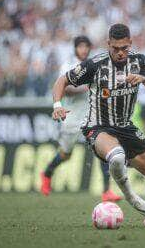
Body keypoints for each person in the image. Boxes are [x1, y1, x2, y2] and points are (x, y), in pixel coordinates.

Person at [51, 24, 145, 228]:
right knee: (116, 156)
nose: (120, 52)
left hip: (125, 126)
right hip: (98, 126)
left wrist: (143, 79)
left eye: (124, 47)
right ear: (108, 45)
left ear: (130, 43)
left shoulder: (140, 61)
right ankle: (130, 196)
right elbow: (63, 80)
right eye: (116, 48)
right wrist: (57, 105)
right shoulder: (95, 64)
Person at [41, 35, 122, 202]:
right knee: (65, 154)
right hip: (71, 117)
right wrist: (85, 87)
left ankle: (107, 191)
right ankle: (47, 172)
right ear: (75, 48)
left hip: (91, 116)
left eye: (86, 46)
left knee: (102, 149)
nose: (83, 49)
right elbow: (65, 87)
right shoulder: (68, 65)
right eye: (80, 46)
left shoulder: (94, 65)